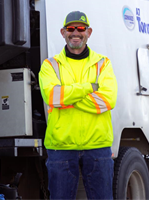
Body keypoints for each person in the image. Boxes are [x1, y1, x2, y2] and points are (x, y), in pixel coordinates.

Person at [39, 11, 118, 200]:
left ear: (89, 32)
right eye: (70, 28)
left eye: (81, 28)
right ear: (62, 32)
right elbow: (52, 97)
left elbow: (108, 100)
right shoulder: (50, 65)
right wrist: (89, 88)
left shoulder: (103, 64)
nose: (76, 32)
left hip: (98, 147)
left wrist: (67, 97)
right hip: (61, 147)